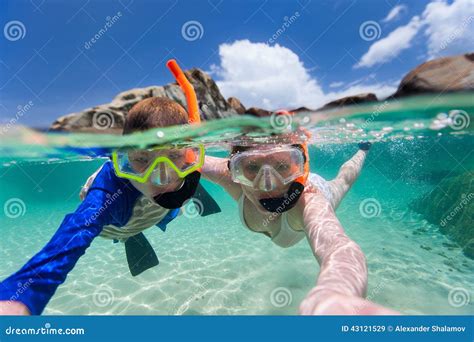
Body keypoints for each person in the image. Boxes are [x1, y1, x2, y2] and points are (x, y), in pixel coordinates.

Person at [0, 60, 219, 315]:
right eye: (141, 160)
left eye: (173, 157)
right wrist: (21, 299)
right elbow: (72, 235)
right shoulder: (108, 196)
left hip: (153, 211)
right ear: (123, 158)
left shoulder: (191, 163)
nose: (159, 177)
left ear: (190, 153)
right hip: (117, 224)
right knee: (123, 217)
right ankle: (129, 236)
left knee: (184, 184)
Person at [202, 119, 397, 315]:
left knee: (344, 180)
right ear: (234, 169)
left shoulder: (310, 203)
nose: (267, 185)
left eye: (282, 166)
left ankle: (363, 150)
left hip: (318, 189)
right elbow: (190, 158)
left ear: (301, 166)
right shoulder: (229, 177)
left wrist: (335, 294)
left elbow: (338, 247)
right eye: (252, 168)